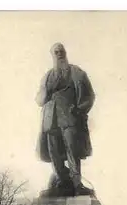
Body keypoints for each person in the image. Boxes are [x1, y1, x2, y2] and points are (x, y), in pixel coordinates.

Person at [36, 43, 95, 196]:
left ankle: (77, 184)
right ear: (52, 55)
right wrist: (46, 91)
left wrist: (79, 109)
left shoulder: (76, 73)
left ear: (65, 53)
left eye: (61, 51)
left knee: (72, 151)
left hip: (70, 118)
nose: (59, 54)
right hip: (51, 120)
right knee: (54, 152)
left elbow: (89, 95)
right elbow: (39, 99)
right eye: (56, 52)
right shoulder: (48, 76)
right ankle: (62, 179)